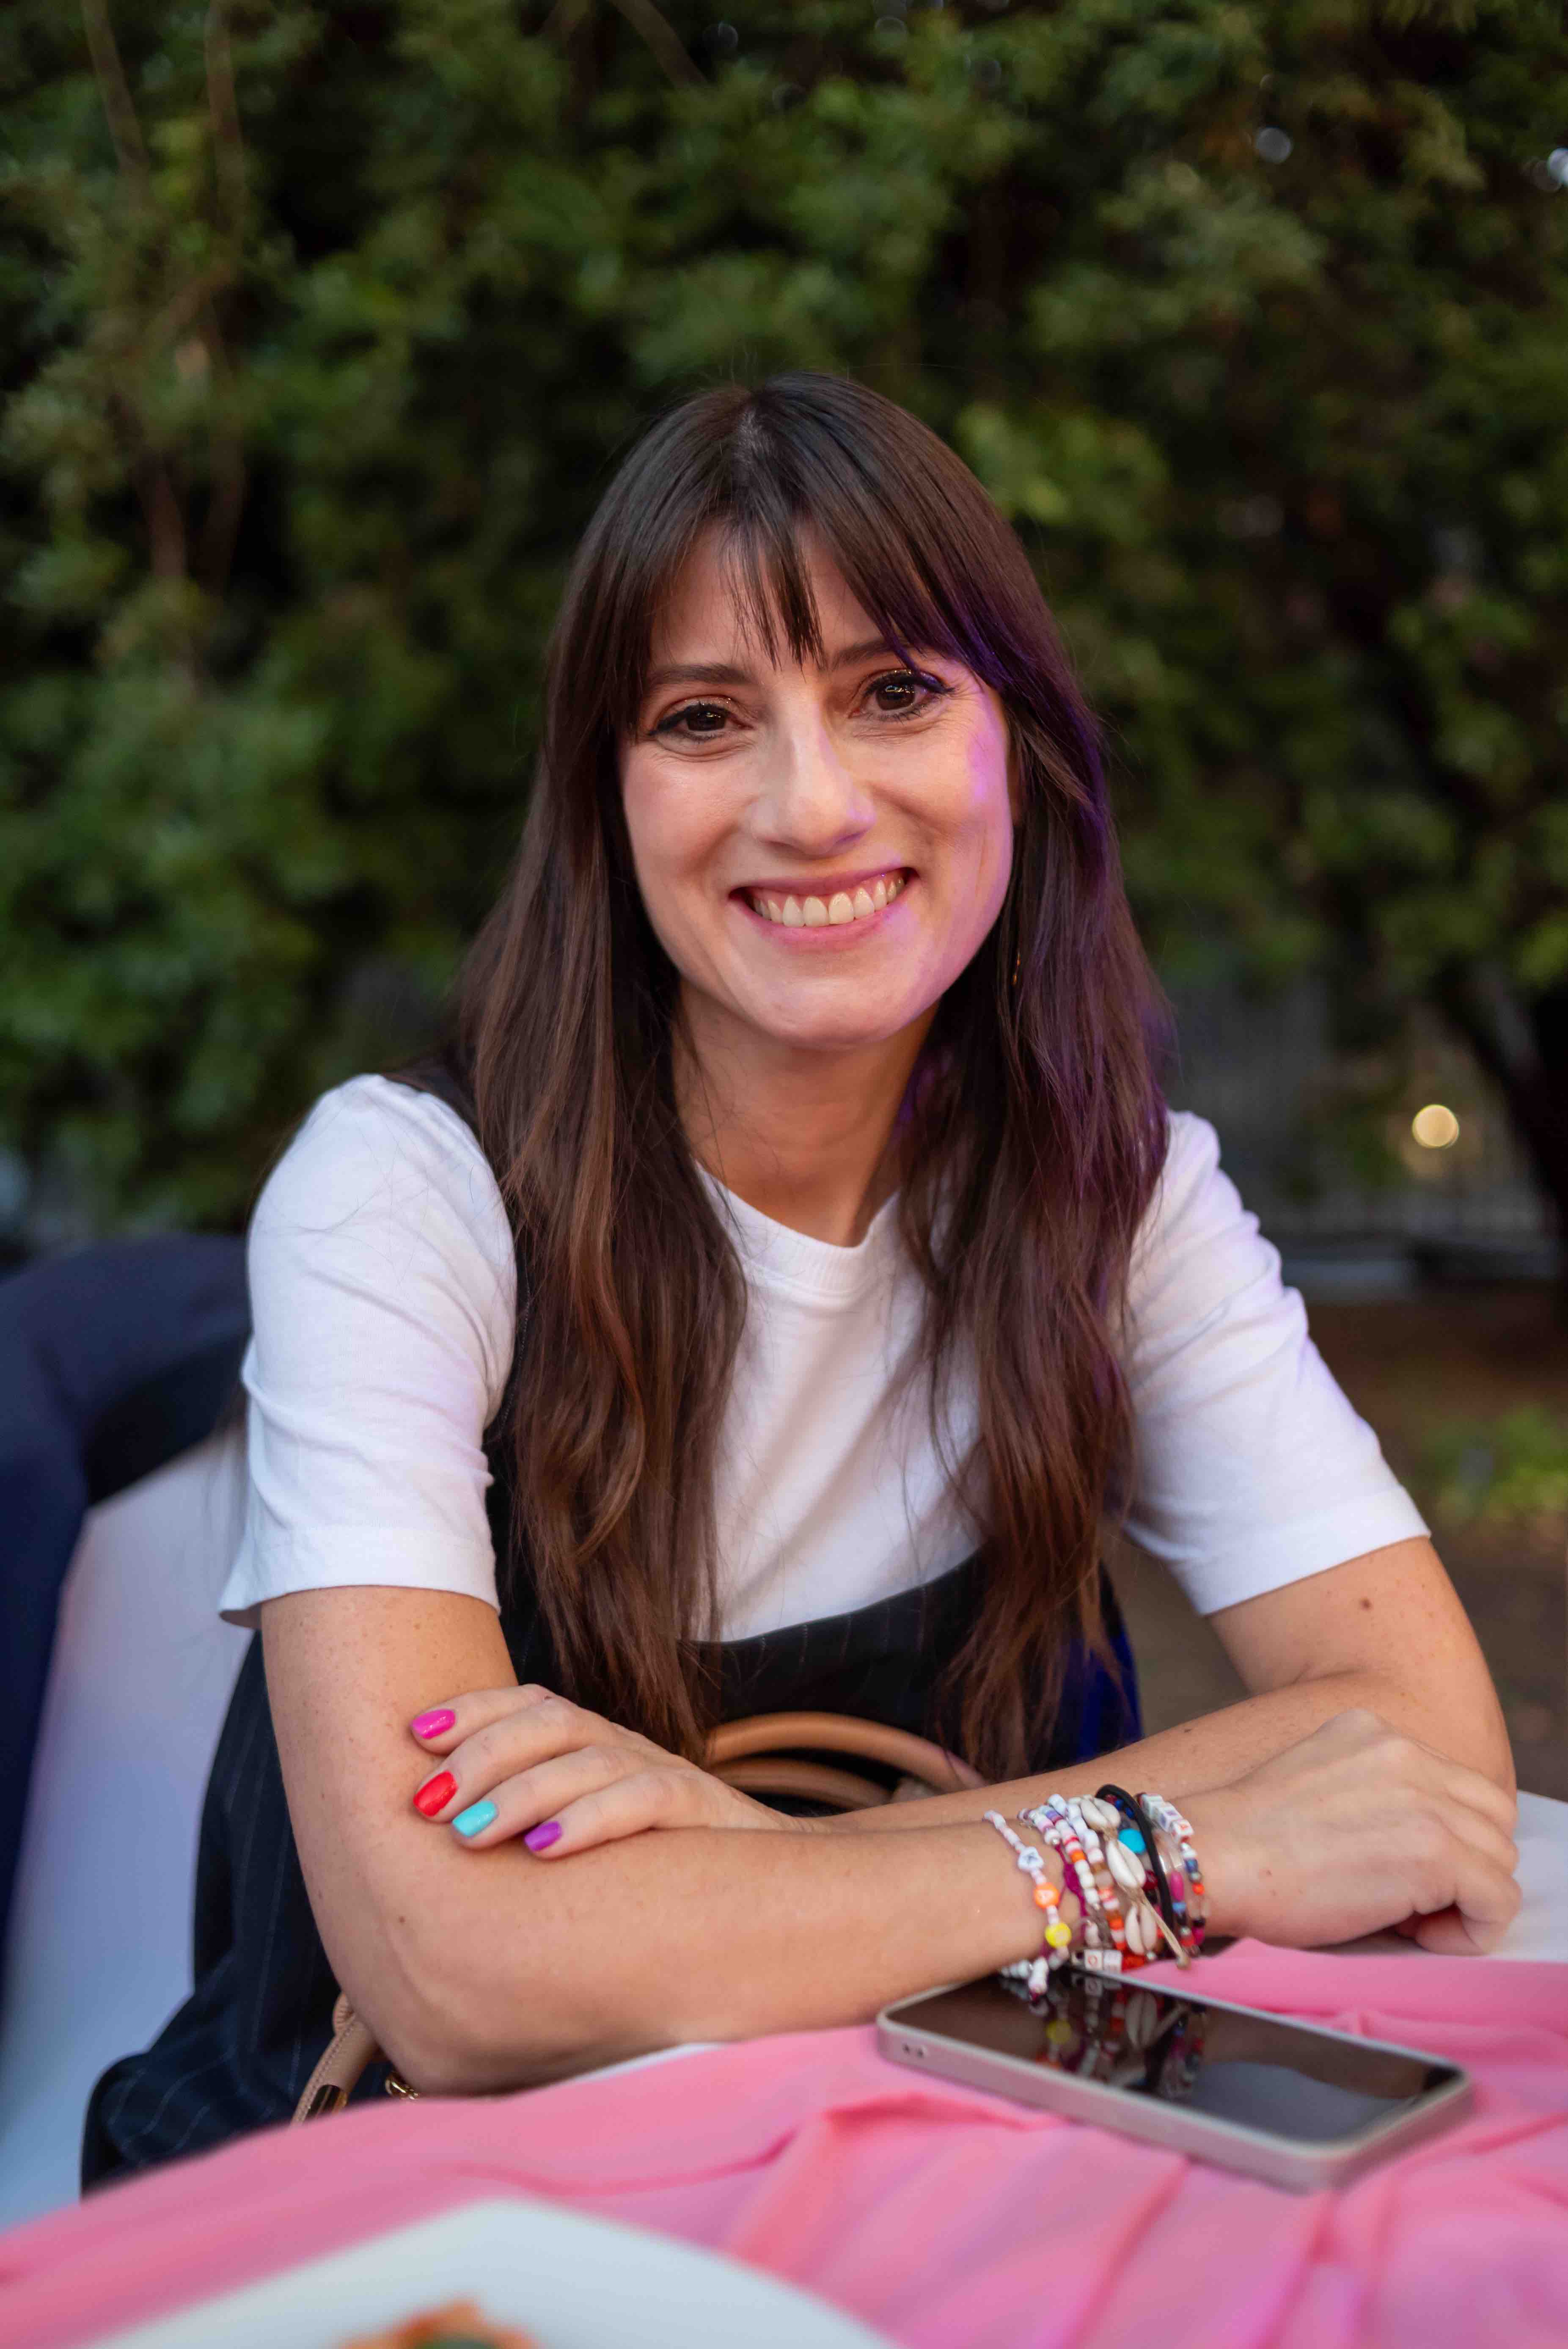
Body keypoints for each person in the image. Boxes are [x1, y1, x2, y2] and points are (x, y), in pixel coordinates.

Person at [85, 374, 1517, 2182]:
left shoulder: (1120, 1197)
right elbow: (451, 1973)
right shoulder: (403, 1194)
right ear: (605, 798)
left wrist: (735, 1863)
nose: (815, 801)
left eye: (893, 691)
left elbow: (1424, 1752)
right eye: (703, 717)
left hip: (911, 2168)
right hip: (386, 2204)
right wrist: (1170, 1852)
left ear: (1018, 740)